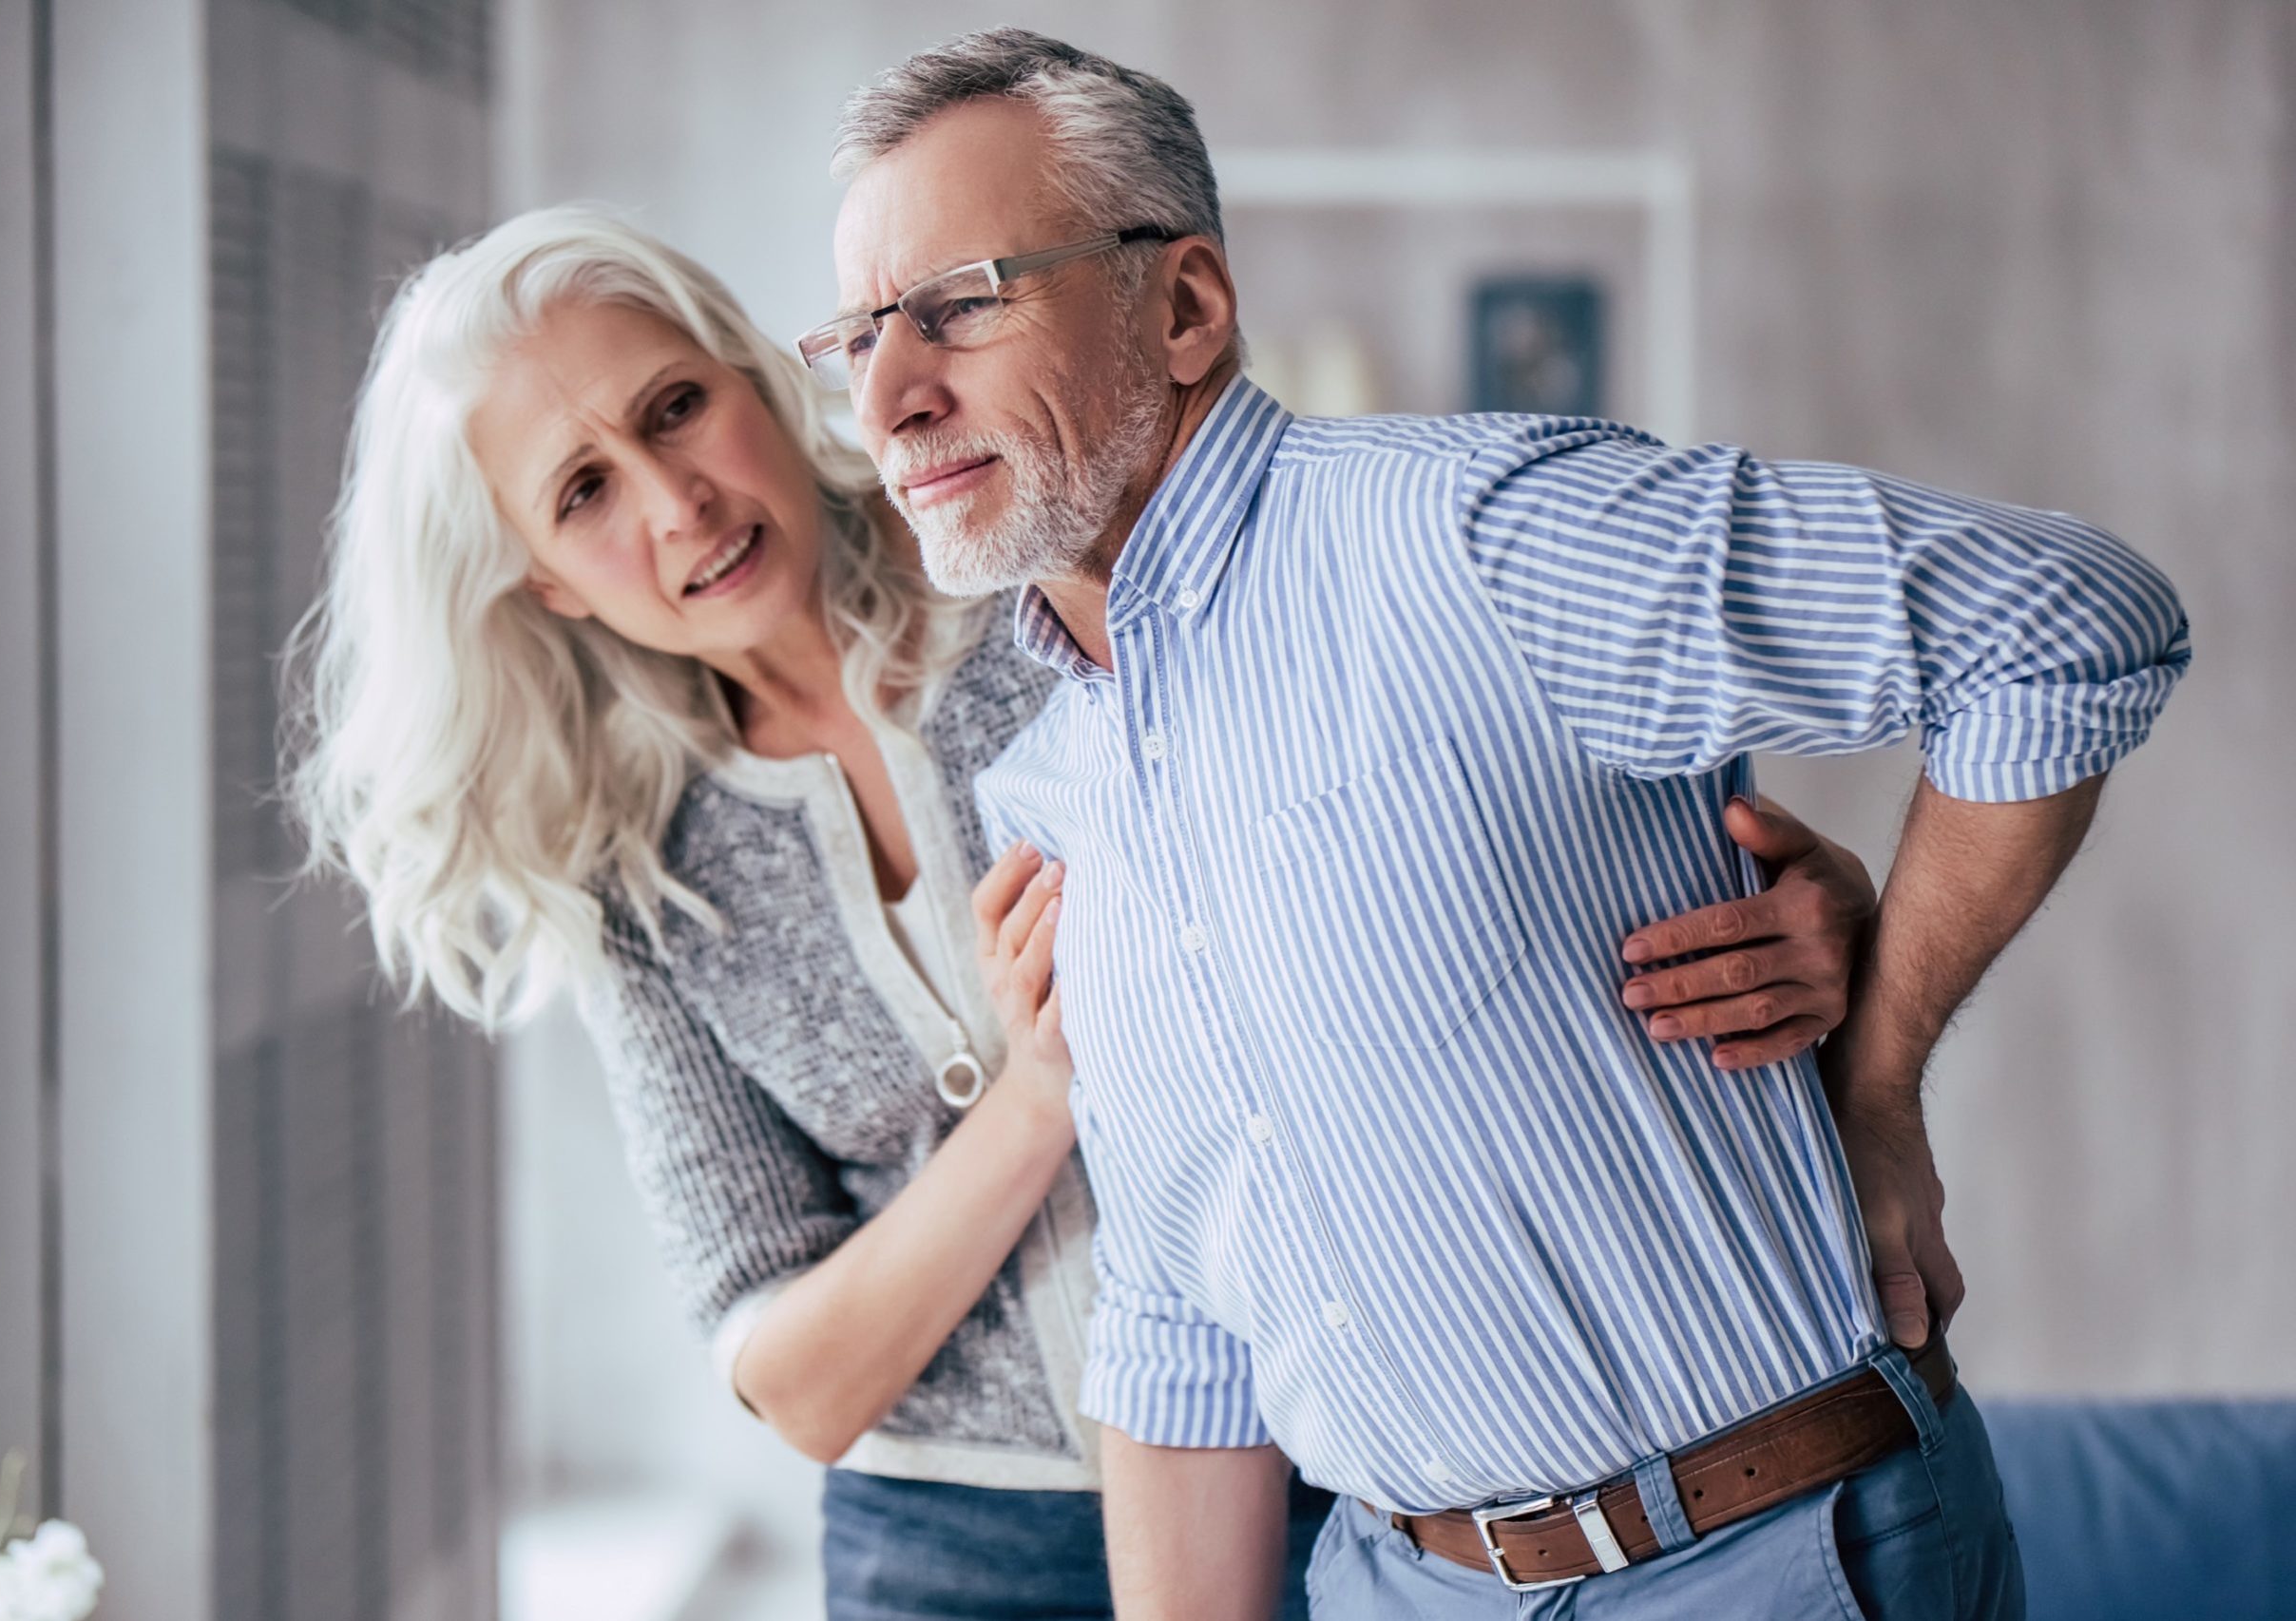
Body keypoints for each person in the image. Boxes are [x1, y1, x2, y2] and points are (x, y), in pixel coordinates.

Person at [283, 204, 1884, 1618]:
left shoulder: (1042, 576)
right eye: (583, 489)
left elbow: (1472, 829)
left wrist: (1814, 916)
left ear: (757, 372)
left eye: (677, 408)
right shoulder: (632, 870)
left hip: (1351, 1444)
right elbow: (799, 1379)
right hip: (950, 1546)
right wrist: (1045, 1092)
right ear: (546, 580)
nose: (677, 502)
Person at [814, 29, 2191, 1620]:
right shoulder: (1052, 780)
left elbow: (2063, 623)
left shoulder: (1476, 538)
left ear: (1182, 305)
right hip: (1400, 1586)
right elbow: (1191, 1307)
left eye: (963, 302)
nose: (892, 397)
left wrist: (1877, 1085)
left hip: (1767, 1561)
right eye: (852, 339)